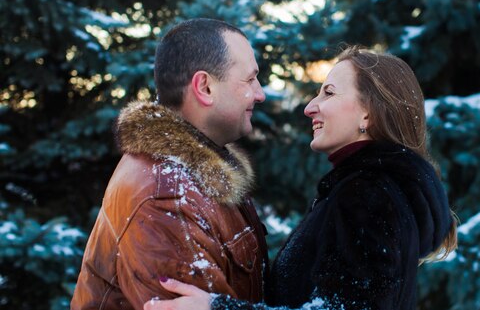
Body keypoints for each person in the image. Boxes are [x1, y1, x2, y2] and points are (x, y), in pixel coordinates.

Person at [144, 45, 458, 310]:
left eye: (329, 93)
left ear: (369, 114)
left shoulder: (370, 194)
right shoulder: (372, 190)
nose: (310, 107)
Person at [71, 18, 269, 309]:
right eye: (250, 79)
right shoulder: (168, 198)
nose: (260, 93)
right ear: (205, 87)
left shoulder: (201, 175)